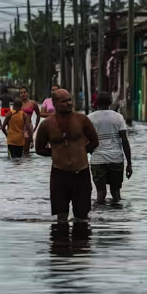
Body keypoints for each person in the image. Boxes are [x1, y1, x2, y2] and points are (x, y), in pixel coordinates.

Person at [34, 89, 99, 223]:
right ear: (55, 103)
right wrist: (57, 153)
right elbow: (39, 149)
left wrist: (81, 151)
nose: (69, 103)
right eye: (64, 101)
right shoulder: (47, 124)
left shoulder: (82, 120)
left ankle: (80, 242)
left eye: (70, 100)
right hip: (59, 173)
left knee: (82, 217)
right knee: (61, 217)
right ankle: (61, 242)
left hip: (81, 172)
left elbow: (95, 141)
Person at [88, 91, 132, 203]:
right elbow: (124, 141)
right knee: (116, 193)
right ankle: (116, 217)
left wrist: (91, 153)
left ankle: (99, 216)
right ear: (110, 102)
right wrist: (129, 164)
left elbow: (85, 141)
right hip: (116, 159)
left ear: (96, 103)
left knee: (100, 193)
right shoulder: (118, 117)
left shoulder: (90, 118)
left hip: (98, 160)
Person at [18, 86, 41, 154]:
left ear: (27, 93)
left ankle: (27, 164)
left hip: (28, 128)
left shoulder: (32, 103)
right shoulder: (18, 104)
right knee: (19, 150)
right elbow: (12, 115)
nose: (23, 94)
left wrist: (35, 127)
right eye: (21, 93)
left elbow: (38, 115)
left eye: (24, 92)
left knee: (26, 151)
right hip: (19, 128)